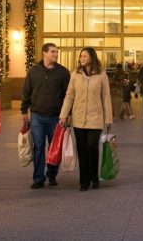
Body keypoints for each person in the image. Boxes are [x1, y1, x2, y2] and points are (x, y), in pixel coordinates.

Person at [59, 47, 113, 191]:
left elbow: (106, 97)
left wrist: (108, 118)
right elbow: (69, 96)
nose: (82, 58)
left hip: (95, 118)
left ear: (92, 58)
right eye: (81, 56)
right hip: (78, 118)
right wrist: (63, 115)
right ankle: (84, 181)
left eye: (85, 56)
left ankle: (94, 177)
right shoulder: (75, 75)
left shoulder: (102, 75)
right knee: (82, 150)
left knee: (92, 148)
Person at [21, 43, 70, 189]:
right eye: (53, 52)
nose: (56, 54)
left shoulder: (63, 72)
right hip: (37, 116)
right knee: (39, 147)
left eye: (57, 52)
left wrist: (67, 114)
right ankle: (38, 178)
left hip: (56, 117)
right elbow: (26, 91)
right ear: (44, 53)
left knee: (55, 147)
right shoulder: (33, 71)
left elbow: (68, 95)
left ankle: (52, 174)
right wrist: (24, 111)